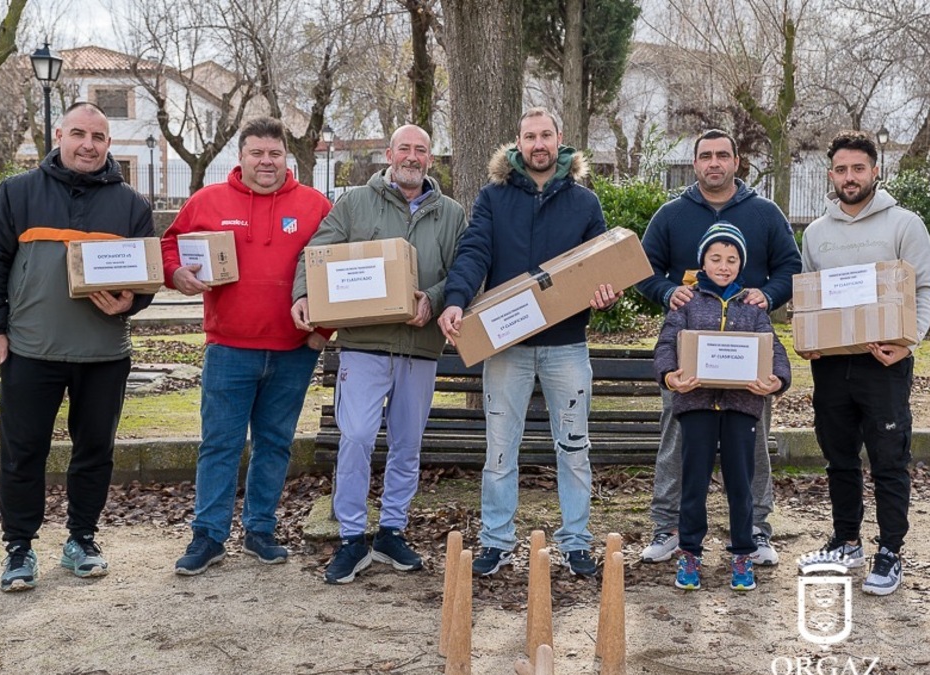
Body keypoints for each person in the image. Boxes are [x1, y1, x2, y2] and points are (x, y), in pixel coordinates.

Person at [0, 102, 155, 592]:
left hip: (104, 354)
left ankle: (82, 540)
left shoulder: (132, 206)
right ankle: (19, 548)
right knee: (22, 452)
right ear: (59, 135)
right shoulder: (18, 192)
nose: (88, 145)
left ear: (109, 144)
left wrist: (132, 302)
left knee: (95, 451)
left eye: (98, 137)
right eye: (78, 134)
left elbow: (145, 276)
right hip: (31, 350)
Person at [437, 107, 619, 578]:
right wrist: (456, 300)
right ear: (517, 144)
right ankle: (497, 541)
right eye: (530, 137)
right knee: (500, 450)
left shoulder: (585, 203)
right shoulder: (493, 198)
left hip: (567, 346)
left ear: (560, 139)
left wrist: (606, 294)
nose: (538, 144)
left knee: (574, 448)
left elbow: (601, 265)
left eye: (546, 135)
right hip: (507, 348)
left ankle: (576, 542)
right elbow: (474, 252)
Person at [291, 124, 466, 584]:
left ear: (431, 159)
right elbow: (318, 253)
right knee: (356, 437)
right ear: (389, 154)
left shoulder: (451, 214)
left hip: (420, 349)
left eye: (421, 150)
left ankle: (391, 531)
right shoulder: (355, 203)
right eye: (404, 148)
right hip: (364, 346)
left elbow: (464, 272)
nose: (412, 156)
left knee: (407, 445)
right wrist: (303, 294)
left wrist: (433, 299)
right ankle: (352, 537)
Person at [162, 117, 331, 576]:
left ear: (286, 157)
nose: (266, 161)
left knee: (275, 444)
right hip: (229, 348)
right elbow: (169, 246)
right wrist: (176, 273)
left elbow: (337, 267)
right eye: (257, 153)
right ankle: (208, 535)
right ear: (240, 157)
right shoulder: (207, 201)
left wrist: (323, 332)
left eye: (274, 153)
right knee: (220, 444)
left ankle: (260, 530)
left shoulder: (315, 206)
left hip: (293, 350)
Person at [635, 128, 801, 567]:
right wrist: (667, 292)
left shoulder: (764, 213)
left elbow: (791, 265)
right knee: (677, 440)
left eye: (722, 155)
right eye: (705, 155)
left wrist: (769, 295)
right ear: (695, 164)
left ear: (736, 161)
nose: (714, 163)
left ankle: (756, 530)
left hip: (748, 352)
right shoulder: (671, 215)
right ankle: (668, 526)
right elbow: (643, 268)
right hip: (689, 354)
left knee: (752, 445)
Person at [798, 130, 930, 596]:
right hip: (830, 367)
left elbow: (927, 289)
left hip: (884, 362)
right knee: (838, 457)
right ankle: (846, 542)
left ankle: (890, 551)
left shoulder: (904, 224)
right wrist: (807, 341)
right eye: (841, 169)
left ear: (875, 171)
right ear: (831, 174)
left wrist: (909, 343)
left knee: (888, 459)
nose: (850, 177)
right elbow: (810, 297)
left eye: (858, 168)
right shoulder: (816, 233)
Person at [654, 223, 791, 591]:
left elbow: (774, 350)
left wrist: (777, 380)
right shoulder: (687, 302)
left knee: (741, 484)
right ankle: (689, 553)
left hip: (742, 406)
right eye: (716, 258)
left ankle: (743, 553)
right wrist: (670, 377)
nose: (724, 265)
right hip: (696, 404)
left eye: (732, 259)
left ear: (741, 264)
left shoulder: (753, 307)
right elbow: (666, 344)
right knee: (693, 482)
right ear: (702, 262)